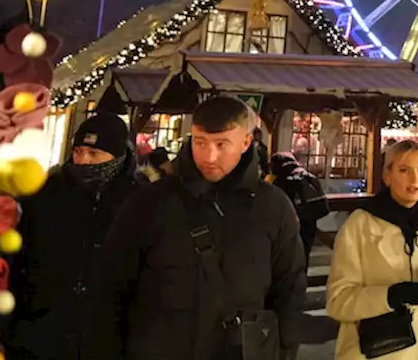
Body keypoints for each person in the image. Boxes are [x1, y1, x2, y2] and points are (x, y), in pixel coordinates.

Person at [87, 96, 306, 360]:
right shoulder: (151, 202)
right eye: (200, 143)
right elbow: (110, 287)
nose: (209, 156)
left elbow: (289, 291)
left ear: (246, 142)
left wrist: (283, 352)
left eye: (222, 144)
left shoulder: (273, 207)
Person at [1, 113, 140, 360]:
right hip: (40, 335)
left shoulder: (141, 202)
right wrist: (10, 325)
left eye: (94, 154)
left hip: (109, 339)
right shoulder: (45, 194)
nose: (84, 161)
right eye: (78, 151)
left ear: (118, 157)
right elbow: (17, 258)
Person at [327, 139, 418, 360]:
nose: (415, 179)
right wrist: (390, 296)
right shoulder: (361, 224)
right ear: (387, 176)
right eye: (404, 170)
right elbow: (338, 301)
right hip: (376, 350)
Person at [271, 151, 330, 264]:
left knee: (287, 260)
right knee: (304, 255)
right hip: (309, 222)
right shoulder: (307, 175)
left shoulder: (282, 179)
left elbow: (275, 201)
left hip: (292, 225)